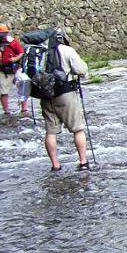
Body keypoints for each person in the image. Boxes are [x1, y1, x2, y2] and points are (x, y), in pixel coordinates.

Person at [39, 30, 91, 171]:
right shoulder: (66, 50)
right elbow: (82, 70)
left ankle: (55, 165)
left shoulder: (40, 52)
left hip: (45, 95)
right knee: (78, 129)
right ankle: (83, 162)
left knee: (50, 132)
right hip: (65, 94)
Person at [0, 24, 29, 115]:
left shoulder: (13, 42)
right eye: (0, 35)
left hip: (15, 68)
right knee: (3, 91)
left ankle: (24, 109)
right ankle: (6, 110)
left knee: (22, 87)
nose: (2, 37)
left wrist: (15, 59)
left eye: (4, 34)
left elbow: (20, 52)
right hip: (2, 70)